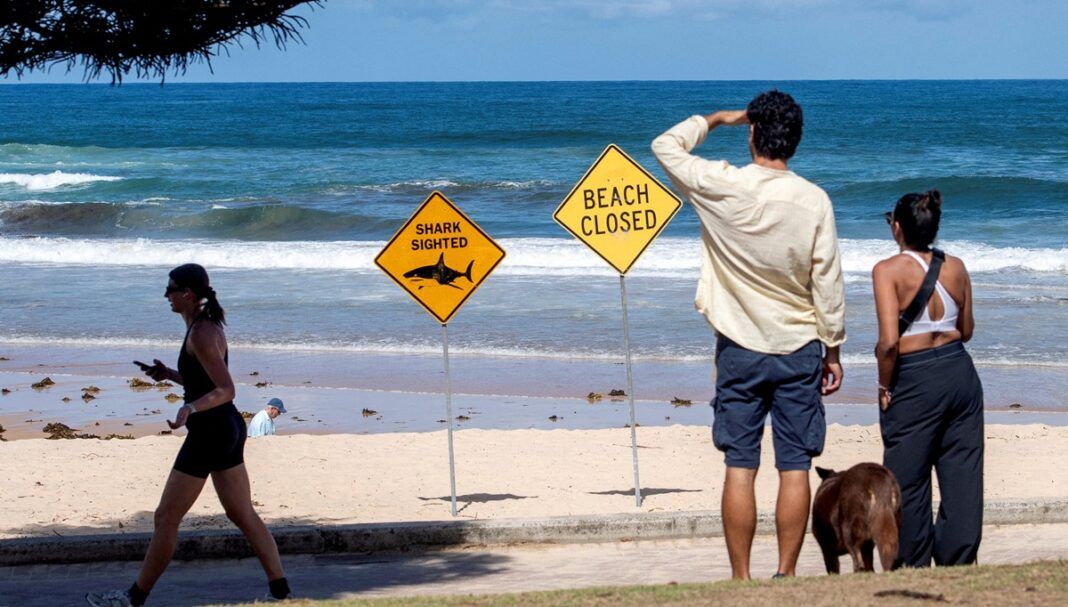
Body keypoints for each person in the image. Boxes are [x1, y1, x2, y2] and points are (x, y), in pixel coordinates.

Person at [652, 90, 846, 580]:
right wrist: (834, 348)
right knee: (795, 465)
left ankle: (741, 579)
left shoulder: (722, 185)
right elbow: (827, 282)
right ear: (796, 140)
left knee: (740, 464)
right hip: (798, 346)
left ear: (753, 132)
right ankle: (785, 574)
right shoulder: (814, 200)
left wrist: (718, 119)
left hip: (738, 345)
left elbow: (665, 145)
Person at [86, 264, 291, 606]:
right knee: (242, 513)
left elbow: (227, 389)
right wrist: (169, 374)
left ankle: (132, 599)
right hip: (226, 428)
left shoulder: (201, 333)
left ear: (188, 294)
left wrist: (190, 408)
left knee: (166, 517)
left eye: (171, 289)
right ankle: (281, 593)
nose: (166, 295)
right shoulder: (202, 327)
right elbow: (204, 381)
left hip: (211, 431)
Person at [873, 190, 982, 568]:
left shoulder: (887, 270)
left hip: (914, 376)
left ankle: (912, 561)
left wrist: (884, 386)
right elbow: (966, 330)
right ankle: (958, 560)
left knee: (908, 477)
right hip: (959, 372)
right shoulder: (956, 266)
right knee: (963, 473)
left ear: (897, 228)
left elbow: (889, 343)